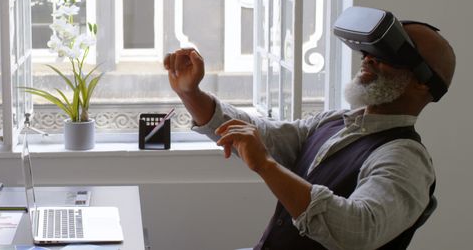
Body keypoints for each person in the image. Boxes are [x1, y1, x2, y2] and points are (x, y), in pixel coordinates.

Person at [164, 21, 455, 250]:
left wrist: (267, 166)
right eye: (369, 50)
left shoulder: (406, 160)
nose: (368, 58)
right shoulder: (334, 122)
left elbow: (359, 230)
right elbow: (260, 135)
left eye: (387, 54)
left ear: (421, 83)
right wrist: (191, 94)